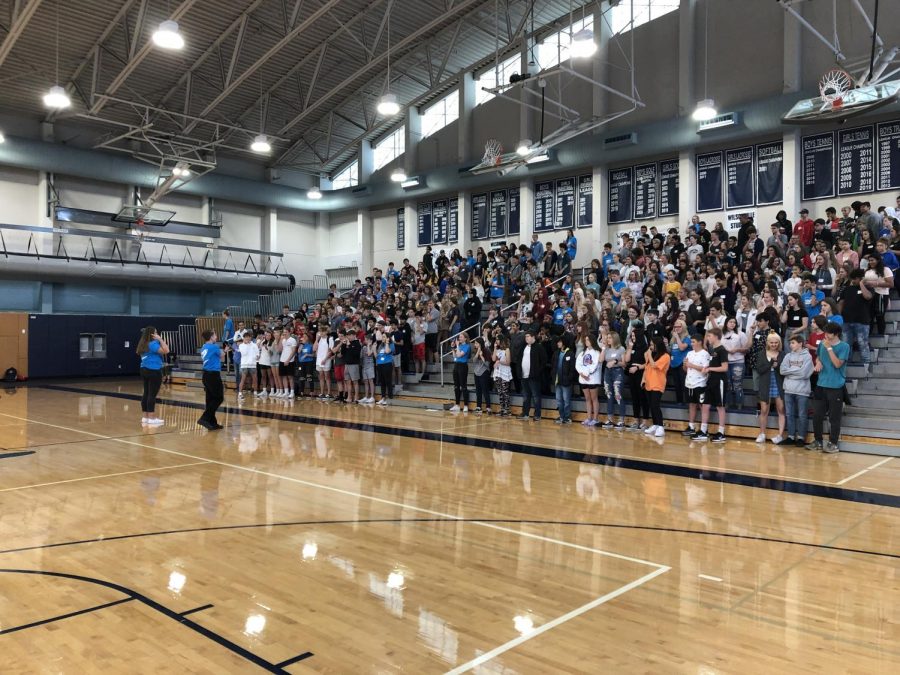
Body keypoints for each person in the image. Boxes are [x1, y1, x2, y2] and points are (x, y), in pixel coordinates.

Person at [808, 322, 850, 453]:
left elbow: (838, 364)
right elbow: (819, 357)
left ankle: (833, 443)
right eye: (825, 332)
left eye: (828, 333)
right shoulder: (822, 344)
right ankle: (818, 441)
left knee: (834, 417)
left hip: (835, 386)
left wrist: (829, 349)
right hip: (821, 384)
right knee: (817, 415)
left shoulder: (844, 346)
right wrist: (818, 362)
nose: (825, 335)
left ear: (836, 334)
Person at [694, 327, 728, 442]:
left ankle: (721, 432)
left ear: (716, 336)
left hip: (720, 381)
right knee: (705, 405)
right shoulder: (712, 349)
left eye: (709, 336)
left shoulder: (722, 350)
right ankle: (703, 431)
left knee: (720, 406)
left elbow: (724, 367)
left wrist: (709, 369)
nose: (707, 338)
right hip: (711, 380)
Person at [780, 333, 814, 447]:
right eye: (790, 343)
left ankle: (801, 437)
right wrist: (796, 371)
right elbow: (782, 371)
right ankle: (790, 436)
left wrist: (790, 372)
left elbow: (804, 373)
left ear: (800, 343)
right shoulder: (787, 356)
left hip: (802, 391)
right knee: (789, 414)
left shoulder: (807, 356)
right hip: (788, 390)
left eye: (793, 343)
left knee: (802, 415)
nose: (790, 345)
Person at [754, 332, 786, 444]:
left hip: (779, 383)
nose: (774, 344)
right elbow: (759, 369)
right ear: (768, 343)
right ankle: (762, 434)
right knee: (763, 410)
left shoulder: (782, 354)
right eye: (772, 342)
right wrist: (770, 364)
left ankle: (780, 435)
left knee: (781, 409)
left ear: (779, 343)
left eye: (776, 342)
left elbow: (784, 371)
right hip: (765, 383)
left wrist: (777, 367)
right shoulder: (762, 354)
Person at [839, 269, 873, 368]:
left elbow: (867, 296)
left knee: (863, 344)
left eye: (860, 278)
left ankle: (866, 366)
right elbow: (841, 303)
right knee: (846, 345)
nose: (856, 280)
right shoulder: (847, 289)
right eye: (858, 278)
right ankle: (846, 365)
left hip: (862, 321)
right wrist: (840, 316)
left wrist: (862, 284)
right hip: (846, 321)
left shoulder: (868, 288)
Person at [137, 326, 169, 426]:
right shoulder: (153, 344)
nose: (157, 334)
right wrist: (160, 339)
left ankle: (145, 417)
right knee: (152, 394)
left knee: (146, 393)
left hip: (144, 369)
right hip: (154, 370)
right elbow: (166, 350)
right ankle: (151, 418)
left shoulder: (142, 344)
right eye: (156, 333)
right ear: (152, 334)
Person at [682, 333, 710, 438]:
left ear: (700, 342)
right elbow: (686, 369)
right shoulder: (689, 353)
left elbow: (705, 370)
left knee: (702, 406)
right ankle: (691, 426)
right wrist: (685, 365)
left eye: (693, 342)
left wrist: (691, 365)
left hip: (700, 383)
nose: (691, 344)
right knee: (692, 404)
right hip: (689, 382)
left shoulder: (705, 354)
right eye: (691, 342)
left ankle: (704, 429)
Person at [642, 335, 670, 437]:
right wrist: (643, 379)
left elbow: (654, 365)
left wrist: (649, 354)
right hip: (649, 383)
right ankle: (655, 424)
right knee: (651, 406)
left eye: (652, 345)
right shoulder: (653, 355)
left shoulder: (665, 356)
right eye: (650, 345)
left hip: (658, 384)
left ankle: (661, 426)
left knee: (655, 405)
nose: (651, 347)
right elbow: (647, 367)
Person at [197, 329, 224, 431]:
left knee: (210, 399)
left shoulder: (204, 347)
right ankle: (204, 418)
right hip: (213, 375)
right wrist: (223, 351)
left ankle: (212, 422)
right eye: (215, 335)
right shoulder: (214, 346)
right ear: (211, 337)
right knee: (218, 398)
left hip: (206, 375)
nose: (216, 337)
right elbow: (222, 356)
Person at [518, 332, 547, 421]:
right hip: (524, 375)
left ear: (533, 337)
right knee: (526, 395)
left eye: (528, 336)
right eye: (525, 336)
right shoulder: (524, 347)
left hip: (534, 376)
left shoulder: (539, 347)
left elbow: (544, 361)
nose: (526, 338)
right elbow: (519, 359)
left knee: (536, 396)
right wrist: (519, 371)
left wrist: (537, 372)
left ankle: (537, 414)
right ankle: (525, 413)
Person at [600, 333, 626, 429]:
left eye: (610, 337)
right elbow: (601, 359)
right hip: (607, 372)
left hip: (617, 372)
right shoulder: (606, 349)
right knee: (609, 395)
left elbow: (624, 364)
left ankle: (621, 420)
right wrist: (603, 348)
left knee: (617, 394)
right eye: (607, 338)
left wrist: (615, 361)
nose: (608, 339)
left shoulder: (621, 349)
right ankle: (610, 419)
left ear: (615, 338)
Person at [576, 333, 602, 427]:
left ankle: (595, 419)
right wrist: (582, 373)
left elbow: (595, 365)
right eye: (585, 340)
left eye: (588, 340)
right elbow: (578, 364)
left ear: (592, 341)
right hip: (583, 379)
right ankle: (589, 418)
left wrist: (587, 374)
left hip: (593, 379)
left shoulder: (597, 352)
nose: (586, 341)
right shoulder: (583, 353)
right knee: (587, 399)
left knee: (594, 399)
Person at [551, 333, 576, 424]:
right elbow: (553, 366)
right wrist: (553, 376)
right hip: (557, 381)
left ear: (564, 343)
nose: (558, 343)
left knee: (566, 400)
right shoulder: (556, 353)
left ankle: (567, 417)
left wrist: (569, 378)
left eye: (560, 342)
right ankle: (561, 416)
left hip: (566, 381)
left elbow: (572, 368)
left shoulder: (570, 353)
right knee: (559, 400)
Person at [449, 331, 471, 412]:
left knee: (463, 386)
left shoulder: (467, 346)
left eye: (461, 337)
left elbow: (459, 355)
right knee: (456, 386)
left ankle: (465, 405)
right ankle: (457, 404)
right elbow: (455, 356)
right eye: (459, 337)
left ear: (465, 338)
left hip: (463, 366)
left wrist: (457, 346)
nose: (459, 338)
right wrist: (452, 348)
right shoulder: (460, 346)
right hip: (456, 365)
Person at [493, 335, 513, 417]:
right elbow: (493, 359)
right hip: (498, 372)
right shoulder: (497, 350)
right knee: (500, 391)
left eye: (497, 340)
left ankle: (507, 409)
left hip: (504, 371)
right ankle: (502, 408)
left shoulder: (507, 349)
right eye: (496, 340)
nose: (496, 341)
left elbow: (508, 362)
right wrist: (494, 348)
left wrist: (500, 362)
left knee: (505, 391)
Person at [472, 338, 493, 414]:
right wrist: (478, 352)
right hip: (476, 372)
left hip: (484, 372)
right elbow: (474, 361)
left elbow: (487, 365)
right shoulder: (476, 351)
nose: (475, 345)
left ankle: (488, 407)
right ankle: (478, 406)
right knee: (478, 390)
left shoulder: (486, 351)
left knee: (485, 390)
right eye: (475, 343)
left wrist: (482, 356)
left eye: (477, 343)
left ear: (480, 344)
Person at [236, 331, 259, 402]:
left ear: (250, 337)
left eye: (248, 337)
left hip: (252, 364)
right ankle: (240, 394)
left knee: (255, 379)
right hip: (244, 365)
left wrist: (257, 357)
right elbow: (244, 353)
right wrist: (245, 344)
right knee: (243, 379)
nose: (247, 338)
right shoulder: (241, 345)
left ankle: (255, 393)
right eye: (246, 337)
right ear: (244, 338)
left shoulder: (254, 345)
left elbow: (257, 353)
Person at [375, 330, 395, 406]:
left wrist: (387, 343)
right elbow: (377, 356)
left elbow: (387, 352)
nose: (382, 338)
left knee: (388, 381)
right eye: (382, 336)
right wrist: (374, 349)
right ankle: (383, 397)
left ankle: (390, 397)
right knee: (382, 382)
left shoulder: (391, 344)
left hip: (387, 364)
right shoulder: (380, 345)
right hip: (380, 364)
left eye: (383, 337)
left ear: (387, 338)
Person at [314, 324, 333, 399]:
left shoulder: (330, 339)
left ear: (326, 332)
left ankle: (329, 392)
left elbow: (330, 351)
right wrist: (316, 339)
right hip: (319, 360)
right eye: (320, 331)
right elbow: (314, 349)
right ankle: (322, 392)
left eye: (322, 331)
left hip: (326, 360)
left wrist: (325, 359)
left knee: (327, 377)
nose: (321, 333)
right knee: (321, 377)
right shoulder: (319, 339)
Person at [278, 328, 298, 399]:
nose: (284, 333)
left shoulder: (293, 340)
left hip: (290, 361)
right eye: (283, 332)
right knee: (283, 376)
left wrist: (288, 360)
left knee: (290, 377)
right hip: (282, 360)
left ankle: (292, 392)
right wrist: (280, 339)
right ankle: (286, 392)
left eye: (286, 332)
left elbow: (293, 351)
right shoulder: (283, 340)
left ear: (289, 332)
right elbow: (279, 349)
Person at [359, 334, 376, 404]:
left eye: (366, 340)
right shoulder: (363, 347)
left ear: (370, 340)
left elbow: (369, 354)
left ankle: (372, 397)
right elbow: (361, 356)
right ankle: (366, 396)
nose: (365, 341)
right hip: (364, 366)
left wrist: (369, 345)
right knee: (365, 381)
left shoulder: (373, 346)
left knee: (370, 381)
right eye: (365, 340)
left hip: (370, 366)